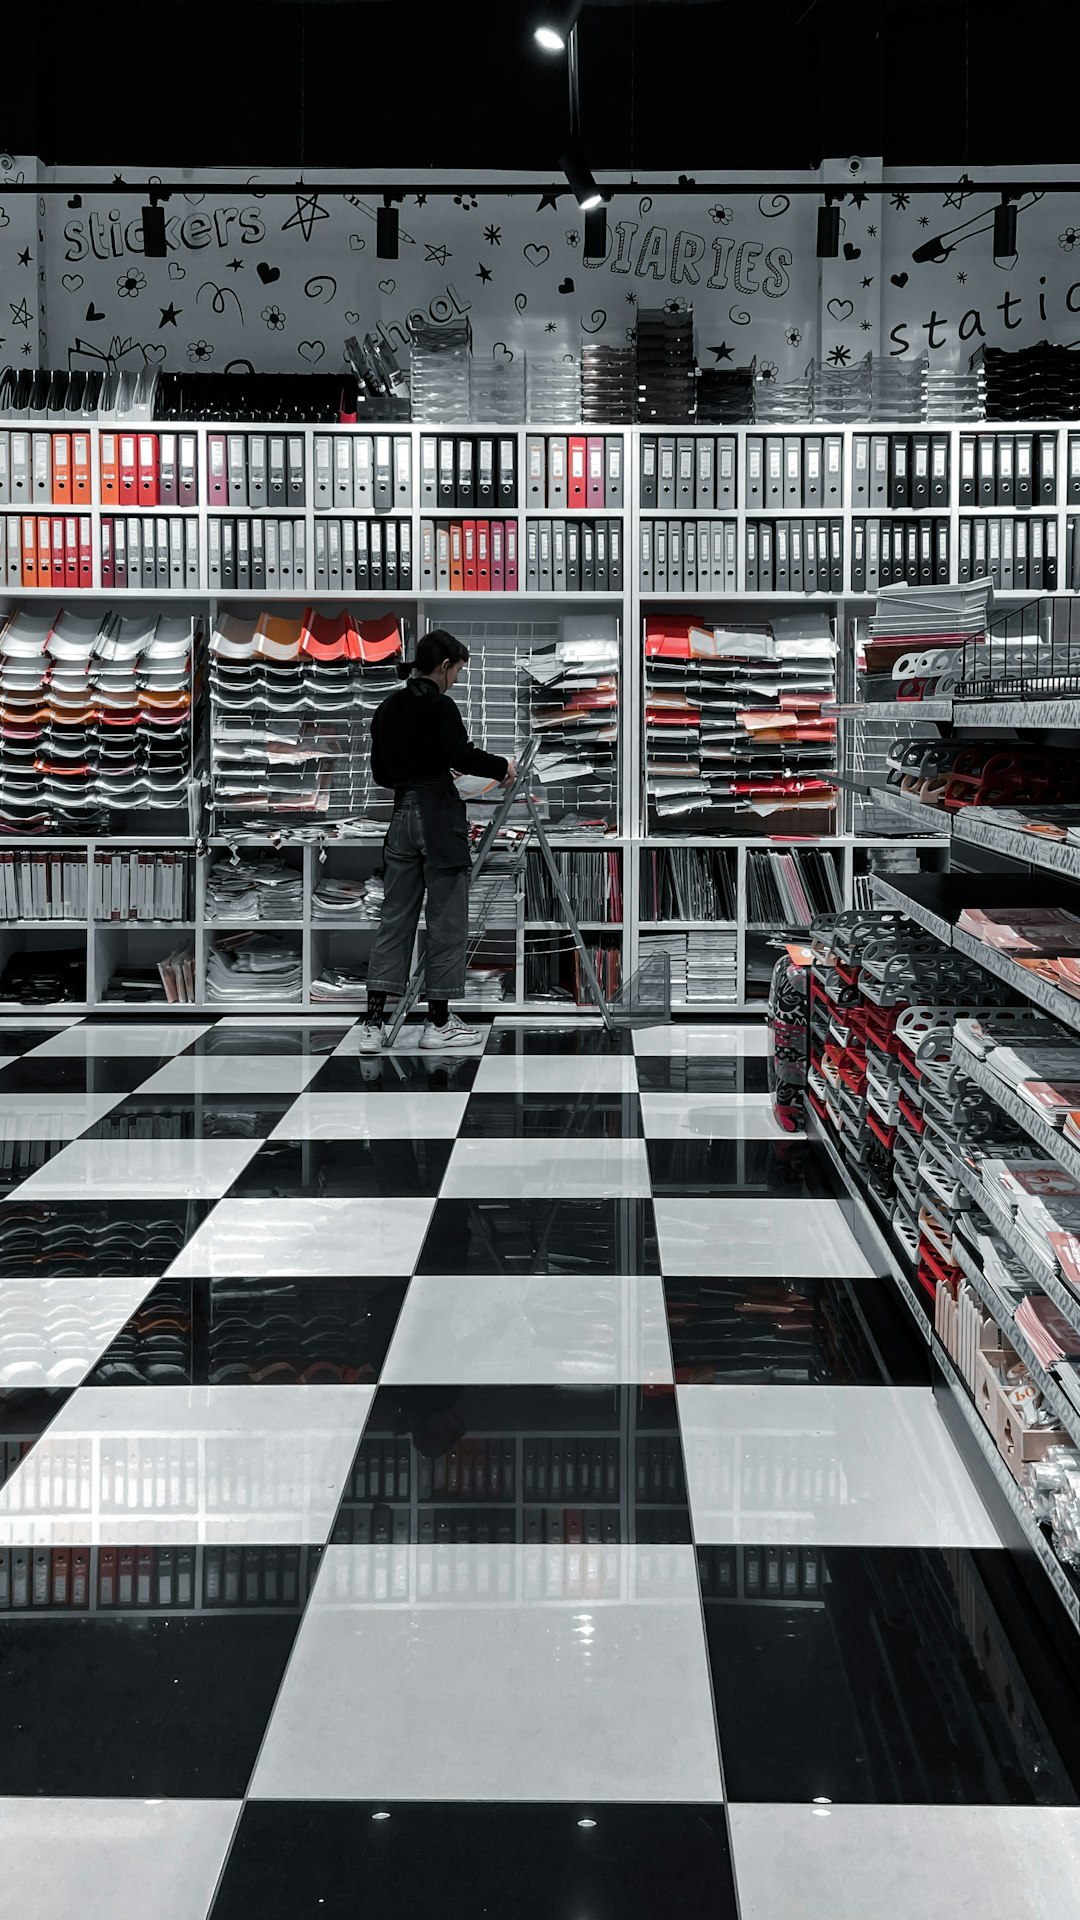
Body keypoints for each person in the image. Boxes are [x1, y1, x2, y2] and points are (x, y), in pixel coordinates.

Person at [360, 630, 515, 1052]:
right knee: (447, 923)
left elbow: (380, 775)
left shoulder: (387, 707)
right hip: (438, 818)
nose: (458, 681)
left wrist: (418, 773)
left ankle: (372, 1025)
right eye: (458, 671)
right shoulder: (440, 705)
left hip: (401, 818)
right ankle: (438, 1022)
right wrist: (503, 766)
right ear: (444, 666)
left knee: (395, 920)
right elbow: (461, 755)